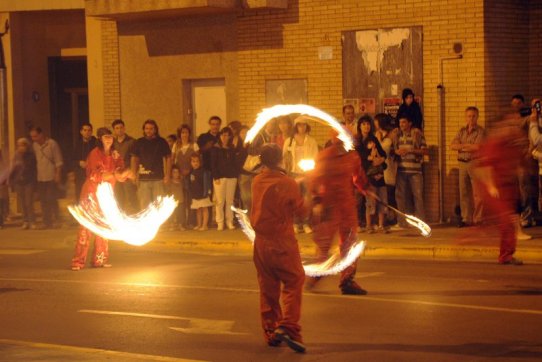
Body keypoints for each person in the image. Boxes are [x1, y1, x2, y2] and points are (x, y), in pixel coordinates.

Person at [251, 143, 307, 353]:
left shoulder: (256, 180)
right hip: (281, 242)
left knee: (268, 287)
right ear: (280, 159)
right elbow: (301, 211)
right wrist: (307, 193)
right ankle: (288, 327)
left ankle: (271, 329)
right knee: (294, 280)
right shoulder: (287, 183)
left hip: (261, 244)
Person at [308, 127, 371, 295]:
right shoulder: (325, 156)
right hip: (329, 205)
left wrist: (366, 188)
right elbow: (315, 179)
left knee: (349, 243)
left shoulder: (352, 157)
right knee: (324, 244)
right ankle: (318, 272)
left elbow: (358, 177)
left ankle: (347, 280)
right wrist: (317, 200)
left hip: (346, 206)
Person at [71, 127, 133, 271]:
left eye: (110, 137)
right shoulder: (94, 154)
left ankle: (100, 259)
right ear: (99, 139)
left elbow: (120, 170)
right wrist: (115, 175)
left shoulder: (115, 154)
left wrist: (126, 174)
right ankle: (78, 261)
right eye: (105, 137)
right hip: (91, 195)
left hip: (106, 195)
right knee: (86, 229)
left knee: (103, 227)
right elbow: (95, 175)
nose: (108, 139)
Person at [475, 113, 525, 265]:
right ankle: (505, 255)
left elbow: (519, 162)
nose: (514, 128)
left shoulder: (512, 143)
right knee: (506, 222)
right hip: (498, 188)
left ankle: (507, 253)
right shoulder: (495, 143)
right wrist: (490, 186)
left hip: (509, 187)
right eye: (511, 125)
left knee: (510, 222)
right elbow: (486, 166)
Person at [283, 116, 319, 234]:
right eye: (299, 125)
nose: (301, 127)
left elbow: (315, 157)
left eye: (304, 125)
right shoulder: (289, 140)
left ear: (306, 126)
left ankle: (305, 223)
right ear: (296, 127)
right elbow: (284, 157)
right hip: (293, 173)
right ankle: (295, 223)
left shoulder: (311, 141)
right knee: (294, 199)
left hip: (307, 173)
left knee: (306, 199)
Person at [450, 106, 485, 227]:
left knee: (477, 193)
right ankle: (466, 218)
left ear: (477, 117)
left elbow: (477, 147)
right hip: (462, 164)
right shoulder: (461, 131)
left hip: (475, 163)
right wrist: (467, 146)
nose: (471, 118)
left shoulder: (481, 131)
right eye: (469, 116)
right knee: (463, 192)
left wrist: (462, 146)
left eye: (473, 116)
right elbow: (453, 145)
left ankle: (478, 219)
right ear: (466, 117)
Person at [390, 116, 427, 229]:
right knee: (400, 196)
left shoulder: (417, 135)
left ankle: (421, 223)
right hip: (401, 170)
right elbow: (391, 150)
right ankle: (402, 222)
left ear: (409, 123)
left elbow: (425, 150)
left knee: (417, 196)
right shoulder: (397, 136)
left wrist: (410, 150)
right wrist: (396, 151)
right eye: (400, 122)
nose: (401, 125)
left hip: (415, 171)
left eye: (404, 122)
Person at [356, 115, 388, 233]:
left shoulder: (373, 139)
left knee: (382, 199)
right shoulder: (357, 141)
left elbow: (383, 153)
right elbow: (359, 157)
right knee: (369, 201)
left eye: (368, 124)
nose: (366, 126)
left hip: (379, 174)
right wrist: (369, 158)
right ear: (359, 126)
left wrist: (381, 159)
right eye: (364, 124)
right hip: (366, 175)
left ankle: (380, 225)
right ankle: (369, 225)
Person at [131, 119, 172, 210]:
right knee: (144, 206)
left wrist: (168, 175)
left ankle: (159, 224)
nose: (148, 130)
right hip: (143, 179)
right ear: (144, 130)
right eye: (146, 128)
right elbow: (134, 159)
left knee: (159, 206)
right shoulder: (139, 142)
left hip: (158, 179)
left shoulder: (161, 142)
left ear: (155, 130)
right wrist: (133, 174)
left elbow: (168, 158)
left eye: (151, 128)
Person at [511, 94, 537, 230]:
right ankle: (521, 216)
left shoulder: (528, 118)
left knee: (525, 188)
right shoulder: (511, 119)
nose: (516, 106)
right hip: (512, 159)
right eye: (513, 104)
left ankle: (527, 216)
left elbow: (532, 136)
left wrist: (529, 151)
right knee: (516, 190)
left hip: (523, 158)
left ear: (523, 104)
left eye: (518, 103)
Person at [29, 126, 64, 229]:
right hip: (41, 177)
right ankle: (46, 222)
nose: (33, 138)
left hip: (51, 176)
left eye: (35, 136)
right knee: (43, 200)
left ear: (41, 134)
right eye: (32, 137)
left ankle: (56, 219)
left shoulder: (52, 144)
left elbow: (58, 160)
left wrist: (58, 174)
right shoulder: (35, 146)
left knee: (51, 198)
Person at [210, 127, 239, 231]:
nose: (224, 137)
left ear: (230, 136)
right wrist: (216, 176)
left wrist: (235, 175)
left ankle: (229, 221)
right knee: (220, 201)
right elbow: (213, 164)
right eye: (222, 135)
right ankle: (220, 222)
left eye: (227, 135)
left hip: (231, 177)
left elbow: (235, 163)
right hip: (220, 178)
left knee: (230, 201)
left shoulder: (232, 148)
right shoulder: (215, 148)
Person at [172, 124, 199, 228]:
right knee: (180, 200)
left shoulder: (194, 145)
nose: (184, 134)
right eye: (182, 132)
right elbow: (173, 159)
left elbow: (198, 159)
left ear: (189, 134)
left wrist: (190, 171)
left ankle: (191, 222)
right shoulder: (176, 145)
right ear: (180, 134)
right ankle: (181, 222)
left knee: (190, 199)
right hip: (178, 177)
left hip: (191, 175)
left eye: (186, 132)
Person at [374, 113, 398, 226]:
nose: (375, 124)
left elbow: (385, 149)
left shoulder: (391, 135)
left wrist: (378, 140)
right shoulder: (377, 134)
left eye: (376, 121)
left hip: (389, 168)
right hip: (378, 169)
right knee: (381, 195)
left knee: (390, 195)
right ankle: (383, 219)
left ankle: (393, 218)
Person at [9, 138, 37, 229]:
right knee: (22, 202)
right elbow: (13, 166)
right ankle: (25, 221)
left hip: (28, 181)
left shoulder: (30, 155)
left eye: (22, 145)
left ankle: (32, 221)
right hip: (19, 182)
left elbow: (31, 167)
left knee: (29, 202)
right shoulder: (16, 155)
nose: (20, 147)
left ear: (26, 145)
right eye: (19, 145)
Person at [112, 119, 138, 214]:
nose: (119, 130)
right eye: (117, 128)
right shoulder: (112, 143)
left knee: (131, 197)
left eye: (121, 127)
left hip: (128, 174)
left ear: (124, 128)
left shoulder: (131, 141)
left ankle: (136, 217)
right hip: (116, 175)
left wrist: (133, 173)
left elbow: (134, 158)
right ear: (114, 130)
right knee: (118, 198)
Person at [73, 123, 97, 202]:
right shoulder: (77, 144)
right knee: (80, 193)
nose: (87, 132)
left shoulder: (96, 143)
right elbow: (71, 159)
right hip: (80, 173)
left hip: (93, 173)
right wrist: (79, 162)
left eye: (89, 130)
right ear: (81, 132)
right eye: (85, 130)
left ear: (92, 132)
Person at [189, 153, 213, 231]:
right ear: (191, 163)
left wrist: (208, 192)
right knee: (198, 210)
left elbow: (207, 183)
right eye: (193, 161)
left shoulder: (203, 171)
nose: (195, 163)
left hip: (203, 194)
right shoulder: (192, 172)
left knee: (204, 209)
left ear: (200, 162)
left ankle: (204, 225)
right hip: (195, 195)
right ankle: (199, 224)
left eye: (197, 161)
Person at [167, 165, 185, 231]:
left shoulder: (181, 181)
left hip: (180, 200)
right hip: (172, 201)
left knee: (180, 213)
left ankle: (180, 225)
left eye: (177, 172)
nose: (176, 174)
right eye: (174, 172)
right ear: (171, 173)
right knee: (172, 213)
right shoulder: (169, 182)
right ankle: (172, 225)